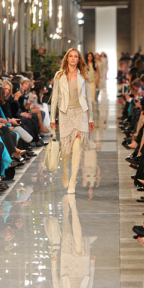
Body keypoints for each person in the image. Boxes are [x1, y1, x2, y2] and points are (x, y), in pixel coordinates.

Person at [50, 47, 95, 193]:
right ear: (67, 59)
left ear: (79, 59)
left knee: (77, 149)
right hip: (65, 114)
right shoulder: (59, 75)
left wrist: (91, 118)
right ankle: (65, 172)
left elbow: (88, 97)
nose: (73, 59)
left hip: (80, 113)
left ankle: (72, 182)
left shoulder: (84, 74)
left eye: (76, 56)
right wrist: (52, 118)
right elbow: (55, 98)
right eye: (71, 56)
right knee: (66, 150)